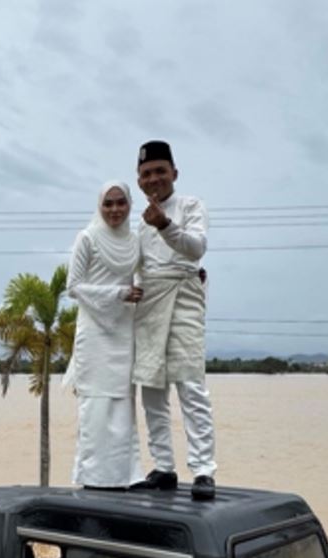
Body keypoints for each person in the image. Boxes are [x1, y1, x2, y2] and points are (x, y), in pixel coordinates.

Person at [129, 139, 217, 500]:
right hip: (149, 303)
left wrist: (165, 224)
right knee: (152, 389)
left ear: (174, 173)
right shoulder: (139, 223)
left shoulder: (191, 206)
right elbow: (137, 264)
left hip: (182, 297)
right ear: (139, 180)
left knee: (191, 386)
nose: (154, 179)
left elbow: (196, 247)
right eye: (146, 174)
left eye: (160, 172)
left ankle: (203, 470)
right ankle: (164, 467)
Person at [63, 180, 145, 490]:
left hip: (123, 332)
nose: (114, 210)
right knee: (95, 406)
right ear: (99, 206)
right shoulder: (87, 238)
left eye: (120, 203)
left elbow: (152, 272)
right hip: (95, 333)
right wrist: (119, 293)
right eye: (108, 204)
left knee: (123, 403)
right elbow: (73, 287)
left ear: (129, 205)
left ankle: (127, 475)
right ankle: (95, 478)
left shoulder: (135, 241)